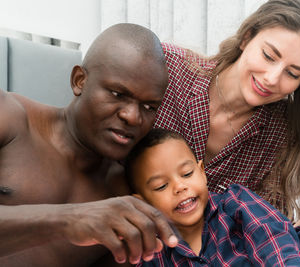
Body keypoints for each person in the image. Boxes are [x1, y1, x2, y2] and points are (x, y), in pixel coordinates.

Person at [154, 0, 300, 238]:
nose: (272, 78)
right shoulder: (166, 67)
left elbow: (261, 231)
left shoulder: (283, 136)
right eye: (268, 56)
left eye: (292, 73)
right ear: (246, 38)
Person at [0, 23, 178, 266]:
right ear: (79, 80)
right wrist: (68, 220)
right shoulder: (9, 116)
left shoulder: (123, 196)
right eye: (118, 94)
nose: (133, 117)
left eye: (149, 107)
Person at [125, 128, 300, 266]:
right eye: (161, 187)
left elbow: (272, 237)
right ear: (142, 201)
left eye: (186, 174)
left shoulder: (235, 203)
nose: (179, 187)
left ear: (202, 172)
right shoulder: (155, 255)